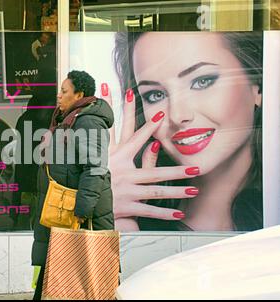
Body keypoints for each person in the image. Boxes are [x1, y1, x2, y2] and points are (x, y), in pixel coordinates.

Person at [104, 32, 263, 232]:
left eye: (202, 81)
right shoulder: (132, 218)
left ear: (257, 86)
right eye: (155, 95)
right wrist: (118, 225)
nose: (178, 115)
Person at [31, 70, 114, 300]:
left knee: (84, 279)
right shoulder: (68, 120)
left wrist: (82, 210)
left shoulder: (88, 122)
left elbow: (95, 169)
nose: (58, 96)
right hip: (63, 210)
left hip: (78, 214)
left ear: (79, 94)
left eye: (64, 91)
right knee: (58, 276)